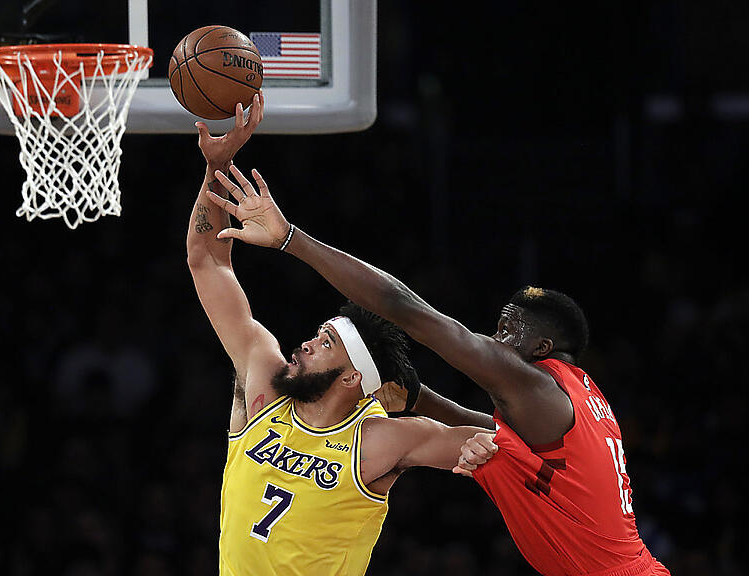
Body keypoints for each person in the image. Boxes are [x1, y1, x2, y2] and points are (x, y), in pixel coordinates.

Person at [206, 151, 671, 576]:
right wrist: (421, 399)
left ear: (542, 348)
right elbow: (505, 440)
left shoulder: (537, 386)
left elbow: (405, 310)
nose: (495, 341)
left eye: (508, 331)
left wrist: (291, 239)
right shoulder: (578, 397)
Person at [188, 93, 497, 576]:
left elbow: (518, 446)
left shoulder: (380, 440)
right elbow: (208, 262)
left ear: (353, 377)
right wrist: (217, 167)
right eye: (317, 335)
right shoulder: (265, 383)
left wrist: (480, 442)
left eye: (326, 343)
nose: (306, 344)